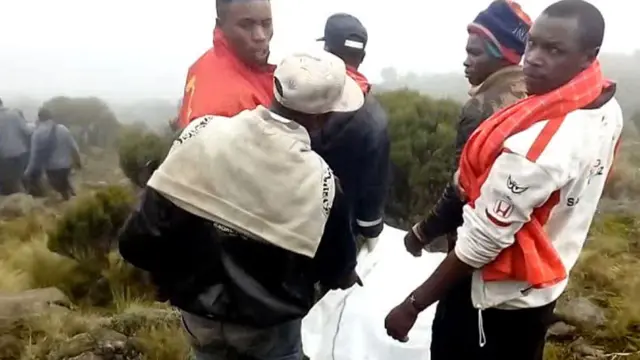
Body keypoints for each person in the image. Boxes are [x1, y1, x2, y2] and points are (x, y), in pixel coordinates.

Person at [385, 1, 622, 359]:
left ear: (589, 56)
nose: (535, 58)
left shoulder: (535, 148)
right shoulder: (602, 104)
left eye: (554, 50)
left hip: (497, 297)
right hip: (548, 279)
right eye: (533, 44)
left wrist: (412, 305)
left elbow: (482, 239)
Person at [118, 49, 365, 360]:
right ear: (320, 118)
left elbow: (136, 239)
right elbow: (336, 268)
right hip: (268, 330)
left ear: (275, 88)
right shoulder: (322, 183)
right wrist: (343, 274)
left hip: (198, 316)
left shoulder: (201, 133)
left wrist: (171, 278)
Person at [404, 0, 532, 255]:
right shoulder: (533, 93)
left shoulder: (480, 109)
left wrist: (421, 234)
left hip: (476, 243)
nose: (466, 62)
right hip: (517, 237)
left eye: (475, 53)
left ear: (501, 55)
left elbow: (461, 190)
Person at [313, 13, 390, 252]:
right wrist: (370, 231)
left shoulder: (300, 96)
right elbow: (373, 188)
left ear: (325, 51)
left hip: (291, 223)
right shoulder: (375, 115)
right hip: (340, 234)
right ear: (362, 57)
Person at [175, 0, 275, 129]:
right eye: (246, 25)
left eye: (266, 24)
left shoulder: (203, 64)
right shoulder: (229, 109)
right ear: (220, 26)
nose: (260, 36)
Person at [24, 108, 81, 200]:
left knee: (57, 192)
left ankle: (66, 199)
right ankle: (72, 198)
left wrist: (27, 172)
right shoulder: (63, 129)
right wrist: (78, 162)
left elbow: (34, 157)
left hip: (51, 169)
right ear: (51, 117)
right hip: (66, 167)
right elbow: (74, 148)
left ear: (39, 118)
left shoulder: (37, 133)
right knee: (65, 187)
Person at [0, 98, 32, 195]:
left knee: (13, 182)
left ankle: (25, 202)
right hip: (22, 152)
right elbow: (27, 131)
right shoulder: (14, 114)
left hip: (6, 156)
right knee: (22, 178)